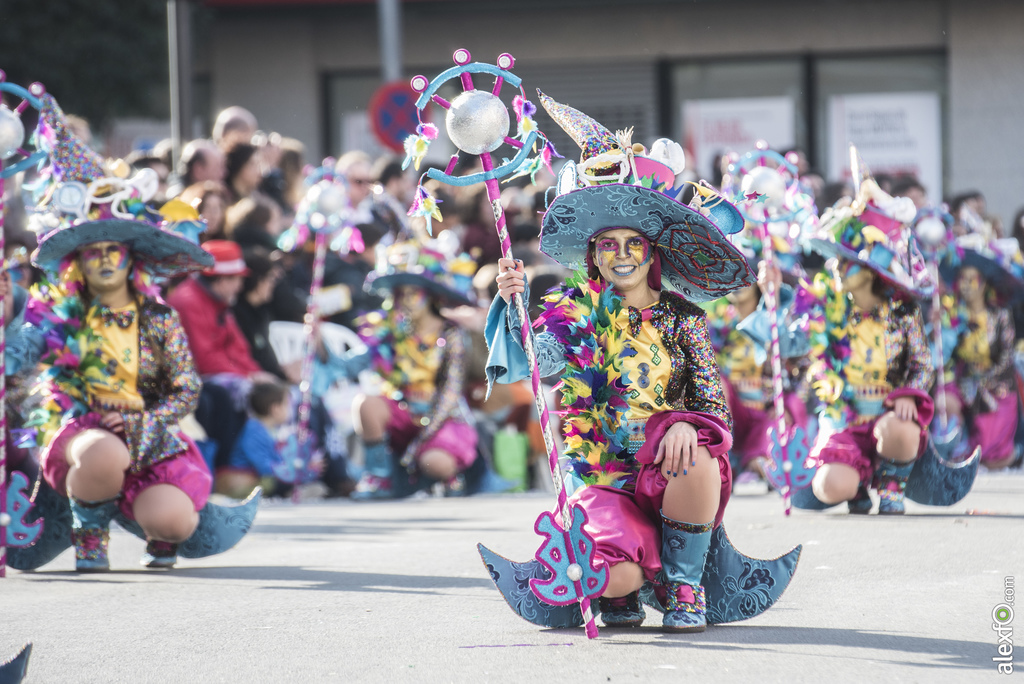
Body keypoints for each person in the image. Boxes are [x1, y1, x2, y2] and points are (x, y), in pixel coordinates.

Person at [486, 93, 764, 632]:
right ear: (593, 256)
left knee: (699, 454)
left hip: (672, 469)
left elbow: (714, 408)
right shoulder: (575, 315)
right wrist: (513, 304)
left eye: (632, 242)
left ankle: (684, 585)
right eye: (607, 244)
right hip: (604, 475)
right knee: (609, 579)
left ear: (651, 251)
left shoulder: (683, 318)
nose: (621, 254)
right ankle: (624, 587)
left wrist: (684, 423)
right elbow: (541, 364)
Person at [13, 93, 236, 571]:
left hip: (146, 435)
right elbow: (17, 356)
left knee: (176, 521)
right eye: (94, 250)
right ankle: (89, 532)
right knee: (100, 452)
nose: (106, 258)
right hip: (80, 432)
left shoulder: (158, 318)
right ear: (77, 261)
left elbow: (185, 388)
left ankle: (154, 531)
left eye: (115, 248)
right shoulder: (60, 314)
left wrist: (143, 421)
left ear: (131, 257)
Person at [792, 159, 937, 515]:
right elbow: (792, 342)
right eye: (837, 260)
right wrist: (769, 292)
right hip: (845, 419)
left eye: (846, 261)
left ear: (872, 270)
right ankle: (855, 484)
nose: (836, 267)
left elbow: (923, 365)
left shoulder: (902, 312)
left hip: (889, 415)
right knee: (830, 487)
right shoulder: (827, 308)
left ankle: (892, 482)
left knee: (901, 430)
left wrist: (908, 397)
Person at [319, 241, 479, 499]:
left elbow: (450, 391)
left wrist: (422, 438)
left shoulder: (452, 334)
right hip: (402, 416)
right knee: (366, 404)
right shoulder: (389, 331)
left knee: (434, 462)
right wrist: (317, 339)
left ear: (429, 294)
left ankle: (445, 478)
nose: (405, 298)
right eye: (400, 292)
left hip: (443, 421)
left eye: (413, 291)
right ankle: (378, 477)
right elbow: (346, 366)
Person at [937, 240, 1023, 469]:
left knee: (992, 454)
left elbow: (1006, 355)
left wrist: (982, 379)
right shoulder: (953, 315)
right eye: (962, 279)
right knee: (945, 402)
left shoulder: (1000, 315)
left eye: (972, 279)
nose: (966, 285)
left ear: (984, 283)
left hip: (998, 391)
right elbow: (946, 357)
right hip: (964, 388)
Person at [215, 380, 291, 498]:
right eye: (286, 404)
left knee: (286, 480)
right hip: (243, 480)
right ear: (275, 408)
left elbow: (277, 459)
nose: (289, 409)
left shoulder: (270, 430)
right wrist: (289, 471)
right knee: (277, 482)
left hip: (258, 477)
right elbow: (263, 466)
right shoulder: (254, 429)